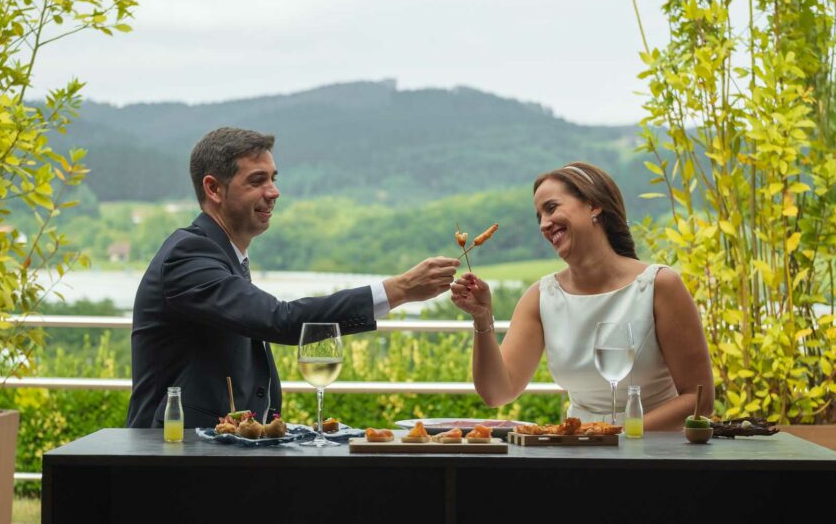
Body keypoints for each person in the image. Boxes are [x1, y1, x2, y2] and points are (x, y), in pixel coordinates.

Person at [126, 127, 459, 428]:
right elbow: (279, 320)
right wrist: (398, 290)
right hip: (171, 458)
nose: (274, 192)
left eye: (273, 178)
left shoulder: (223, 254)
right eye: (257, 181)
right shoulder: (190, 255)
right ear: (213, 188)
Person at [450, 161, 713, 429]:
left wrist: (619, 435)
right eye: (539, 216)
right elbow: (497, 393)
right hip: (579, 452)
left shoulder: (660, 286)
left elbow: (699, 399)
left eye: (551, 208)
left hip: (655, 454)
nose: (543, 224)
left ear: (594, 205)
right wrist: (482, 318)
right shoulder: (541, 297)